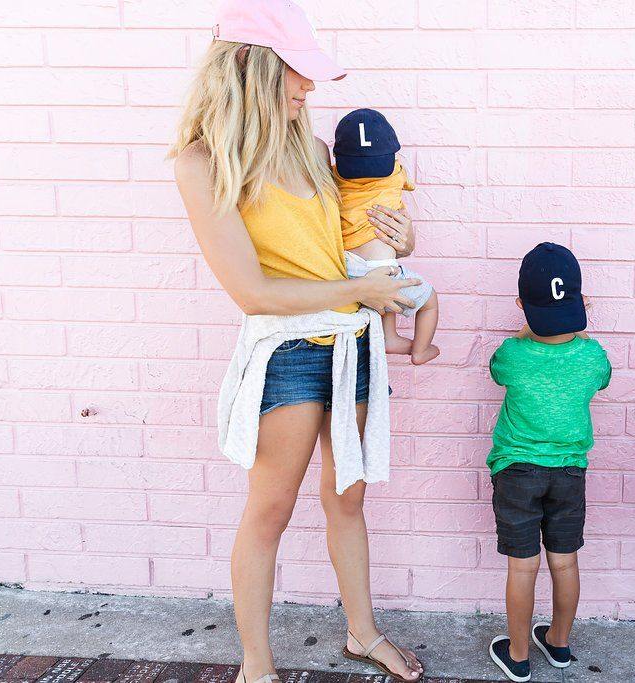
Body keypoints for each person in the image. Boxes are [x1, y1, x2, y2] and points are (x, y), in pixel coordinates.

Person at [169, 1, 424, 680]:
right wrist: (360, 295)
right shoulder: (202, 164)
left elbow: (347, 249)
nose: (309, 88)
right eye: (297, 73)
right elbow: (253, 292)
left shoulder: (314, 152)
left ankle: (362, 632)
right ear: (251, 66)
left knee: (348, 499)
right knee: (270, 509)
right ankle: (256, 664)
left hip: (352, 348)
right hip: (287, 356)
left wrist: (402, 241)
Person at [486, 243, 612, 682]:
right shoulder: (592, 355)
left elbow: (496, 370)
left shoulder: (512, 353)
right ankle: (558, 644)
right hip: (569, 473)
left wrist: (525, 331)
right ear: (579, 302)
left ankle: (518, 655)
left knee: (523, 565)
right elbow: (602, 379)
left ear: (523, 304)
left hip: (516, 470)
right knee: (565, 562)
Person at [333, 108, 439, 365]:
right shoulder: (395, 174)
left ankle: (389, 336)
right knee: (430, 301)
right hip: (382, 265)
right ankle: (420, 350)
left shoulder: (334, 177)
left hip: (345, 268)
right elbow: (409, 185)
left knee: (387, 275)